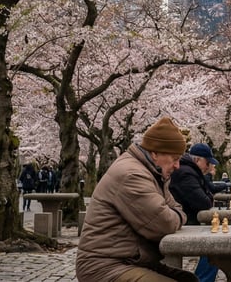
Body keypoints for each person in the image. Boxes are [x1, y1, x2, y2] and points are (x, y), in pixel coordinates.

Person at [76, 116, 197, 282]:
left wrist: (174, 213)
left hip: (128, 260)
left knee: (188, 279)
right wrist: (176, 214)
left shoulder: (153, 173)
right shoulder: (132, 175)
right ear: (154, 153)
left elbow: (175, 209)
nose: (178, 166)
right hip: (104, 266)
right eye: (175, 158)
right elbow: (164, 223)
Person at [169, 142, 220, 282]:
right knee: (214, 248)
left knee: (215, 244)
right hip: (183, 222)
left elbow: (207, 194)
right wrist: (209, 197)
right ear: (197, 160)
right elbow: (204, 202)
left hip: (185, 219)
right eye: (207, 162)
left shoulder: (190, 171)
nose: (209, 166)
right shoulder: (186, 173)